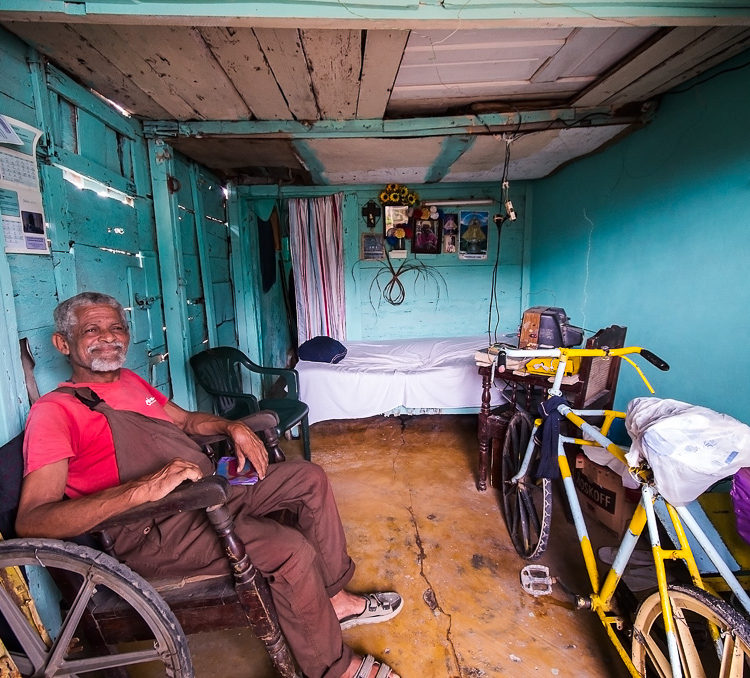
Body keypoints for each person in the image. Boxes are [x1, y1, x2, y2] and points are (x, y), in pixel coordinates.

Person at [16, 291, 402, 678]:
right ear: (62, 343)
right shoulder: (55, 412)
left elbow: (185, 422)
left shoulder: (131, 382)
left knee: (308, 478)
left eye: (116, 327)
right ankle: (334, 668)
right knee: (289, 549)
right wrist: (142, 490)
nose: (109, 336)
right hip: (155, 530)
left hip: (207, 490)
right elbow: (33, 520)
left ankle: (332, 597)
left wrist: (231, 426)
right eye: (92, 330)